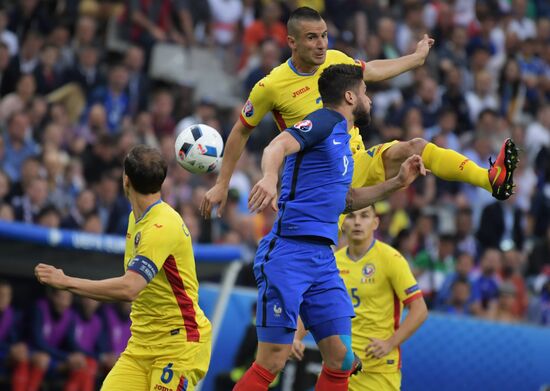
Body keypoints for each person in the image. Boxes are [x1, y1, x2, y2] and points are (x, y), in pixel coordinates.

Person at [200, 7, 518, 220]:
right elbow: (242, 130)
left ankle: (490, 180)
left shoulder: (335, 58)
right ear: (291, 42)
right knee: (319, 280)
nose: (321, 44)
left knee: (417, 146)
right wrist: (222, 183)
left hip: (357, 160)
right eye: (312, 37)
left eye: (324, 35)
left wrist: (415, 59)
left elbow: (370, 70)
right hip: (322, 184)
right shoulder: (271, 86)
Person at [233, 64, 425, 391]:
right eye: (365, 93)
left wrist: (396, 183)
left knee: (340, 357)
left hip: (322, 258)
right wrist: (268, 177)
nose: (370, 101)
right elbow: (276, 146)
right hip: (290, 251)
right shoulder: (323, 120)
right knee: (273, 359)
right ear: (350, 96)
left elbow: (347, 200)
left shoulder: (344, 142)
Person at [34, 145, 212, 390]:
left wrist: (66, 282)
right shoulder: (134, 218)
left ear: (125, 180)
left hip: (178, 343)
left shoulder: (162, 226)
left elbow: (130, 288)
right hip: (141, 344)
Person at [292, 205, 427, 391]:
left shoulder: (391, 259)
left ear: (375, 222)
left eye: (364, 216)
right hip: (338, 364)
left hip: (377, 369)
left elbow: (419, 309)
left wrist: (390, 343)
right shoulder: (333, 262)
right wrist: (297, 337)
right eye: (351, 217)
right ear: (342, 224)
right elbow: (315, 307)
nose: (357, 222)